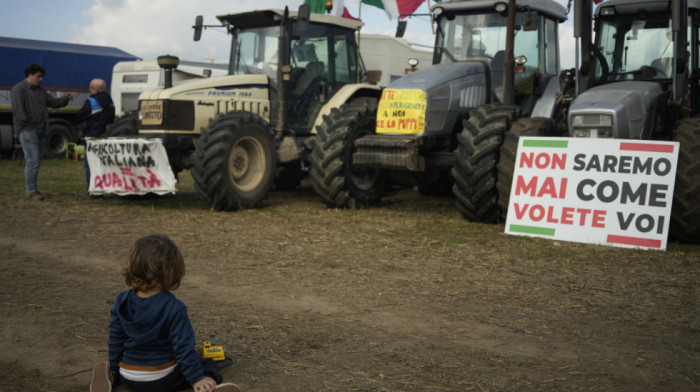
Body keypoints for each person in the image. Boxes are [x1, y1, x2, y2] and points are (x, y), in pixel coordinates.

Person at [90, 234, 240, 392]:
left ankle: (111, 376)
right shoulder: (174, 307)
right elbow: (183, 349)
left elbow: (116, 339)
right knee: (206, 363)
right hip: (161, 379)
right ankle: (204, 386)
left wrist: (115, 367)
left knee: (130, 368)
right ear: (173, 271)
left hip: (128, 375)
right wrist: (196, 377)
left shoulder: (121, 301)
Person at [11, 63, 74, 200]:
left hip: (41, 130)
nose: (40, 79)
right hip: (28, 130)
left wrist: (66, 99)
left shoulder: (41, 91)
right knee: (33, 160)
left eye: (41, 77)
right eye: (38, 76)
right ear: (30, 74)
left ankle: (32, 189)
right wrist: (26, 126)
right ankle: (31, 190)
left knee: (36, 161)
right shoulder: (18, 89)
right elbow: (18, 111)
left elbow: (54, 103)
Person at [77, 78, 115, 199]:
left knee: (90, 165)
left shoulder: (91, 101)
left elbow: (80, 115)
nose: (89, 90)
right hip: (104, 136)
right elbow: (111, 118)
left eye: (91, 88)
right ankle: (102, 189)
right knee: (101, 165)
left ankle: (93, 192)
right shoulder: (110, 101)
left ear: (96, 89)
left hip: (92, 136)